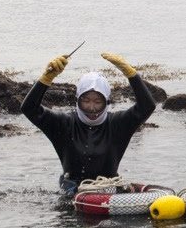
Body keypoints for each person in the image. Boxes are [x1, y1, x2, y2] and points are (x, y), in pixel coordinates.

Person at [21, 52, 156, 196]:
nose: (92, 108)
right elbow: (28, 108)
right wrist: (47, 78)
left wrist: (130, 74)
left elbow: (147, 106)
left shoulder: (118, 124)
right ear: (77, 100)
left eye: (98, 102)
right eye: (86, 101)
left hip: (109, 193)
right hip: (71, 196)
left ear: (107, 102)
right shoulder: (63, 124)